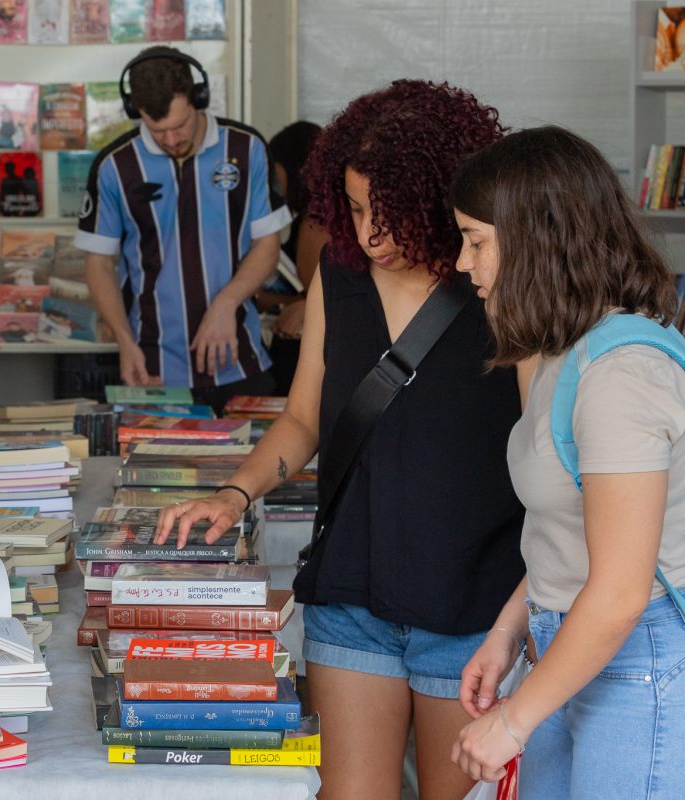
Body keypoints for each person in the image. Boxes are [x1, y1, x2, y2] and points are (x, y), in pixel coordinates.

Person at [155, 80, 528, 800]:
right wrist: (236, 492)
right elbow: (303, 418)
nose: (367, 235)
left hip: (474, 598)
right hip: (354, 586)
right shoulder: (340, 274)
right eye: (354, 211)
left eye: (387, 214)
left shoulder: (496, 281)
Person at [449, 126, 685, 798]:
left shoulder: (619, 373)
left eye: (477, 240)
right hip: (568, 649)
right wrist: (508, 629)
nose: (464, 263)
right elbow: (575, 535)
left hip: (636, 659)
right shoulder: (561, 349)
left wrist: (513, 722)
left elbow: (618, 593)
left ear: (536, 238)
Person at [76, 46, 288, 411]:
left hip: (241, 360)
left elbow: (268, 245)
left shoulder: (247, 147)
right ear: (135, 112)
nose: (171, 140)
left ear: (198, 99)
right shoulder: (114, 166)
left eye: (179, 125)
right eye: (157, 130)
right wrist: (125, 342)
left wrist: (226, 303)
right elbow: (99, 264)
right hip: (152, 369)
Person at [255, 120, 330, 394]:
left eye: (274, 174)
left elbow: (318, 299)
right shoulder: (308, 220)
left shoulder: (316, 223)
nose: (271, 186)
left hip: (303, 355)